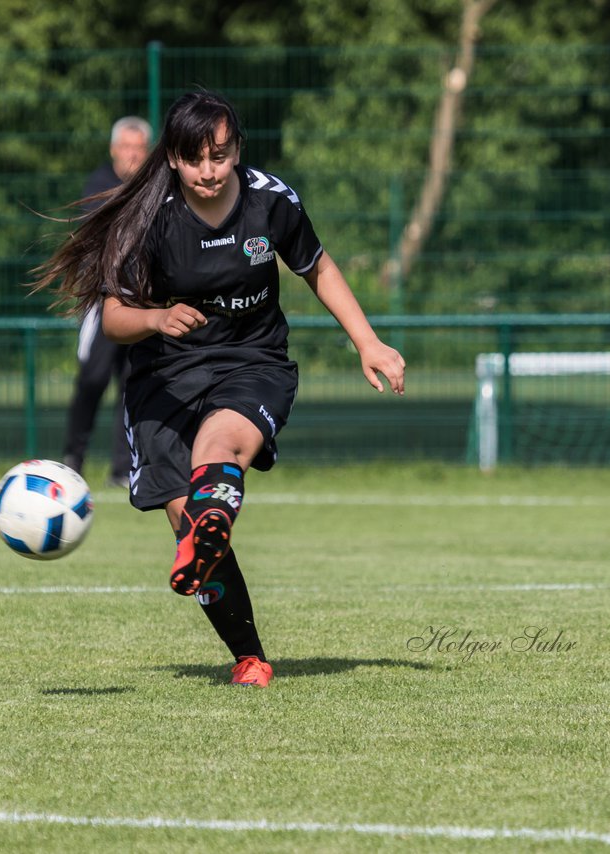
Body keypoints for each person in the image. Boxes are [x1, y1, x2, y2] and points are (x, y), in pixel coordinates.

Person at [32, 90, 405, 688]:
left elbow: (318, 267)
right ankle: (249, 655)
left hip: (251, 360)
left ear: (237, 152)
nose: (209, 172)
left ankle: (214, 522)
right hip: (163, 376)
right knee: (191, 521)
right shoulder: (146, 216)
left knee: (219, 446)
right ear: (173, 158)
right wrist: (155, 318)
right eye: (195, 159)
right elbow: (113, 317)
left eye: (221, 157)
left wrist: (369, 342)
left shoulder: (269, 201)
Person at [62, 116, 152, 488]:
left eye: (138, 148)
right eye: (126, 147)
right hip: (104, 307)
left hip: (142, 310)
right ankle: (72, 458)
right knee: (92, 379)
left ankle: (122, 468)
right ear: (114, 149)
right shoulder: (98, 186)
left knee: (134, 387)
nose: (131, 154)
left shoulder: (155, 187)